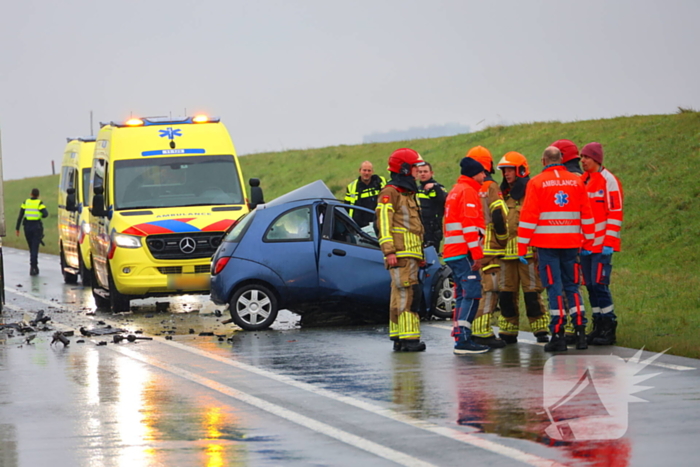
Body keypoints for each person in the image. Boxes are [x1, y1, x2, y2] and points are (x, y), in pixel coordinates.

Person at [517, 147, 594, 352]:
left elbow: (529, 216)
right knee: (572, 287)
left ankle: (558, 335)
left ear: (543, 161)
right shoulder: (576, 181)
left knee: (554, 289)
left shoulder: (537, 182)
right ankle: (580, 333)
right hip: (571, 245)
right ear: (562, 159)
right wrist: (589, 241)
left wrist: (521, 246)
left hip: (547, 246)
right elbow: (586, 212)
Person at [494, 152, 550, 344]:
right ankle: (508, 330)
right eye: (504, 170)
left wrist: (536, 247)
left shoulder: (532, 191)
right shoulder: (501, 194)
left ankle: (541, 329)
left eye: (510, 169)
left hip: (528, 253)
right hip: (504, 254)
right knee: (506, 294)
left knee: (532, 293)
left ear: (521, 170)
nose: (506, 174)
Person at [376, 148, 427, 352]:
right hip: (401, 252)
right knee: (408, 293)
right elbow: (384, 224)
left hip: (410, 253)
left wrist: (420, 255)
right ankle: (409, 339)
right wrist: (389, 251)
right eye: (415, 167)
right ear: (404, 168)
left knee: (400, 294)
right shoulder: (391, 192)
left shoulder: (407, 192)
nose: (417, 171)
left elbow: (414, 226)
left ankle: (399, 337)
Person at [443, 156, 491, 354]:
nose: (484, 176)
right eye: (482, 173)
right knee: (471, 293)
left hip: (453, 252)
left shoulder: (455, 191)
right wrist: (477, 254)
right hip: (464, 253)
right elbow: (470, 227)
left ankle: (460, 335)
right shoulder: (469, 192)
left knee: (462, 294)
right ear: (474, 173)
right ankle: (463, 339)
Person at [580, 142, 624, 345]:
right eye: (581, 157)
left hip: (601, 247)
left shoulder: (609, 181)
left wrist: (609, 242)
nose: (582, 161)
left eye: (586, 157)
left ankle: (609, 326)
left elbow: (615, 214)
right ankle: (598, 324)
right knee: (590, 286)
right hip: (586, 247)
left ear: (596, 159)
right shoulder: (584, 180)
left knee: (600, 285)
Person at [465, 146, 508, 348]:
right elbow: (499, 214)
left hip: (472, 246)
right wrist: (503, 238)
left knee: (476, 288)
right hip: (489, 247)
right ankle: (482, 332)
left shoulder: (466, 188)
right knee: (490, 289)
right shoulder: (490, 187)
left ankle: (473, 329)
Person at [551, 139, 583, 344]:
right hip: (578, 240)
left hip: (558, 243)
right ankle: (578, 327)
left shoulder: (564, 179)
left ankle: (567, 328)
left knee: (561, 287)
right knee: (574, 286)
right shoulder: (581, 178)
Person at [16, 188, 49, 276]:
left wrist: (17, 228)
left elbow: (20, 215)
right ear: (38, 195)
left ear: (31, 194)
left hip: (27, 227)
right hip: (36, 227)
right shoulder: (39, 203)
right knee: (35, 247)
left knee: (31, 247)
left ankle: (33, 266)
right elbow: (46, 214)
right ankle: (33, 267)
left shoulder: (25, 202)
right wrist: (39, 214)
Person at [344, 161, 387, 228]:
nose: (366, 173)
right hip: (361, 226)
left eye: (369, 171)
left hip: (379, 222)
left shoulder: (380, 182)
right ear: (360, 171)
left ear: (372, 171)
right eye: (364, 170)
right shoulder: (352, 187)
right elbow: (347, 207)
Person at [416, 162, 447, 248]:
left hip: (433, 229)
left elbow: (444, 200)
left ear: (431, 173)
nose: (422, 174)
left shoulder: (438, 188)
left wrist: (435, 187)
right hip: (419, 228)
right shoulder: (416, 190)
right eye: (420, 172)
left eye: (425, 171)